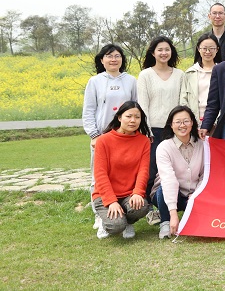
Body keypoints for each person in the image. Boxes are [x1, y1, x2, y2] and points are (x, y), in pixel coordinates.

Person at [82, 43, 138, 231]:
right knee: (98, 176)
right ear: (102, 60)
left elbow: (137, 107)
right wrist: (94, 135)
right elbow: (89, 110)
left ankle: (127, 216)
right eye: (109, 56)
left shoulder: (130, 80)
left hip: (126, 137)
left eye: (117, 56)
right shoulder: (95, 81)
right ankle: (100, 215)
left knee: (127, 176)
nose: (113, 59)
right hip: (102, 137)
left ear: (122, 59)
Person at [137, 36, 184, 218]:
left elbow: (182, 103)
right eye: (160, 50)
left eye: (167, 49)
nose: (164, 53)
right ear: (153, 53)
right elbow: (143, 105)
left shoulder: (180, 75)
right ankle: (150, 206)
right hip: (153, 130)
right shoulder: (145, 75)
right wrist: (146, 130)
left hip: (174, 130)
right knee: (152, 169)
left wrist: (180, 127)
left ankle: (172, 203)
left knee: (173, 168)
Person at [92, 101, 151, 239]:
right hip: (105, 195)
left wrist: (138, 193)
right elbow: (100, 174)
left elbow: (143, 171)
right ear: (119, 117)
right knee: (116, 226)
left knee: (142, 206)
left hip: (128, 195)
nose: (133, 120)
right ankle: (105, 222)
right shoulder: (103, 141)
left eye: (137, 117)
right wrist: (111, 201)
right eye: (128, 116)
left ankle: (128, 222)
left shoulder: (144, 141)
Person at [151, 106, 205, 239]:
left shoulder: (202, 145)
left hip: (191, 194)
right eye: (178, 122)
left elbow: (205, 175)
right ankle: (165, 221)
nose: (182, 125)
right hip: (166, 193)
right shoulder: (164, 147)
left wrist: (196, 194)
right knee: (163, 188)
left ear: (192, 123)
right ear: (171, 124)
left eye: (186, 121)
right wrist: (173, 215)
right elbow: (168, 180)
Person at [180, 33, 222, 122]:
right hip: (194, 120)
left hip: (219, 120)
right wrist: (190, 120)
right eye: (204, 48)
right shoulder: (190, 73)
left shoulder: (223, 72)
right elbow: (183, 100)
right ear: (198, 49)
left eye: (211, 48)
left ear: (217, 49)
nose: (208, 52)